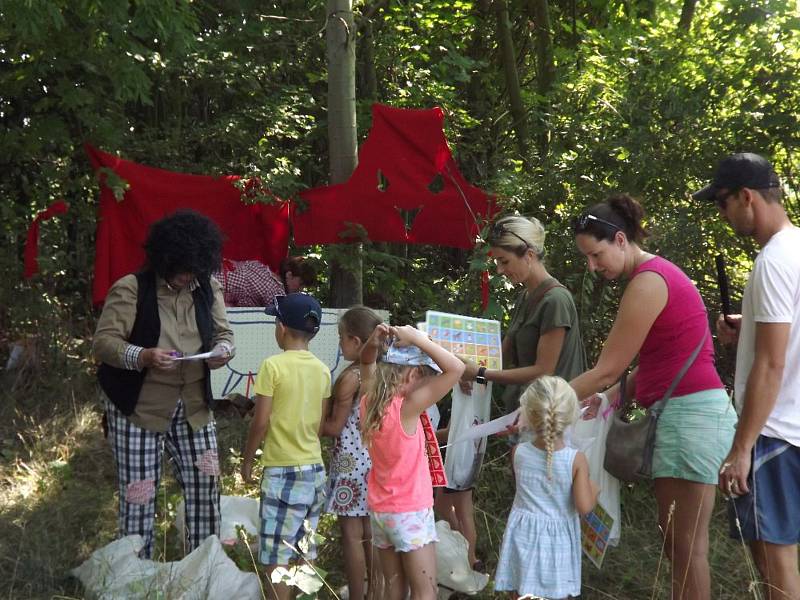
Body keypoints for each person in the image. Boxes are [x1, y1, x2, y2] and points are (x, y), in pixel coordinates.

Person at [570, 194, 737, 599]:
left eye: (596, 255)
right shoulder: (655, 276)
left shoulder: (648, 282)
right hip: (685, 415)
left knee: (685, 548)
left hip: (690, 417)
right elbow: (661, 360)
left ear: (621, 240)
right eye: (587, 260)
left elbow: (608, 366)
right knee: (676, 543)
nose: (593, 267)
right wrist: (611, 396)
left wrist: (541, 402)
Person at [92, 209, 234, 558]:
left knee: (206, 486)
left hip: (195, 408)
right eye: (183, 270)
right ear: (165, 260)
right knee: (139, 495)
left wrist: (223, 351)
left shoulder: (207, 287)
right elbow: (104, 343)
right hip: (139, 410)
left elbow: (224, 334)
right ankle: (137, 574)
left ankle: (203, 568)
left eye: (194, 270)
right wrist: (143, 356)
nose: (188, 277)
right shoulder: (131, 289)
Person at [693, 152, 800, 600]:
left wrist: (741, 449)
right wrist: (750, 330)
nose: (723, 214)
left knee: (777, 563)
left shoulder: (772, 261)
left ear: (746, 197)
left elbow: (772, 364)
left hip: (772, 433)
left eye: (722, 203)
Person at [359, 323, 465, 600]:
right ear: (413, 374)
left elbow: (366, 360)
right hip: (410, 512)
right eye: (425, 377)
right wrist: (419, 338)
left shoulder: (369, 402)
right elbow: (456, 369)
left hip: (381, 513)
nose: (428, 383)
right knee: (425, 591)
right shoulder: (408, 407)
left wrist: (374, 340)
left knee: (394, 589)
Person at [241, 292, 331, 600]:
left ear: (281, 327)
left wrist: (247, 460)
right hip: (315, 470)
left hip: (282, 472)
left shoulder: (272, 366)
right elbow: (319, 426)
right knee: (306, 548)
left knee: (276, 556)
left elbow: (260, 422)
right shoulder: (322, 370)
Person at [462, 215, 586, 413]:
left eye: (504, 261)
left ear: (529, 255)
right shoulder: (526, 296)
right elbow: (503, 355)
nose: (500, 270)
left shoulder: (556, 300)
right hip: (527, 412)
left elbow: (543, 371)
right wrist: (470, 374)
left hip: (553, 419)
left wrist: (481, 373)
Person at [494, 376, 598, 599]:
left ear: (529, 415)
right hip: (556, 543)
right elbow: (584, 506)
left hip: (522, 535)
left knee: (520, 592)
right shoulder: (576, 460)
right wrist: (594, 490)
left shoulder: (518, 452)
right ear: (571, 417)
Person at [321, 306, 384, 600]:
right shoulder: (384, 374)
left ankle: (358, 596)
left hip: (349, 464)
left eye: (341, 337)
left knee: (351, 536)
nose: (339, 344)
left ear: (357, 342)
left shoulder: (351, 378)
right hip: (376, 460)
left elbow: (334, 428)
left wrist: (316, 414)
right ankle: (375, 592)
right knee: (371, 534)